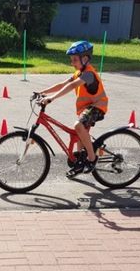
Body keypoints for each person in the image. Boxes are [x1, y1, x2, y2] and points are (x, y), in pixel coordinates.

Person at [37, 40, 108, 178]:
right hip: (87, 108)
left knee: (78, 125)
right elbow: (63, 84)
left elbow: (70, 87)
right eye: (71, 60)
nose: (72, 63)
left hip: (98, 107)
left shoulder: (88, 74)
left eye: (74, 59)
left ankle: (92, 159)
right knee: (78, 132)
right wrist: (43, 92)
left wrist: (51, 98)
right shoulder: (78, 73)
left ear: (85, 58)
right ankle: (80, 164)